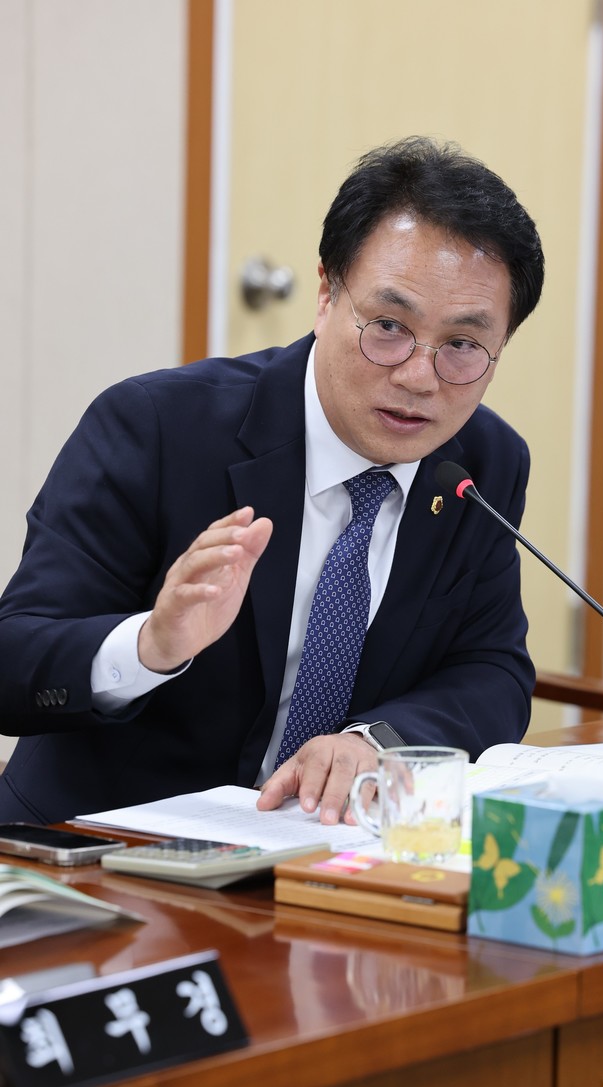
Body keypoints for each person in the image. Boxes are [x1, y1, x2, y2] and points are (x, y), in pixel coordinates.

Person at [0, 136, 544, 826]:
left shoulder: (483, 463)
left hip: (319, 852)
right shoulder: (157, 428)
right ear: (325, 294)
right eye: (388, 326)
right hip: (102, 847)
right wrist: (148, 647)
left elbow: (491, 670)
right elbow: (13, 661)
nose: (417, 376)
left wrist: (374, 742)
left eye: (463, 345)